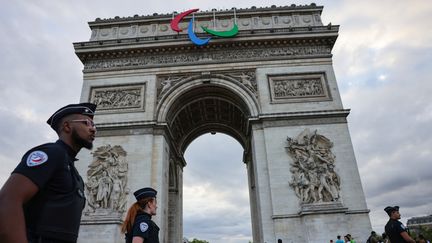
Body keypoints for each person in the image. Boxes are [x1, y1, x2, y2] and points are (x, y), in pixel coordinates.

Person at [0, 103, 97, 243]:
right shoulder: (51, 153)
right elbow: (7, 200)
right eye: (86, 123)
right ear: (67, 126)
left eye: (94, 125)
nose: (93, 129)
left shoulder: (74, 173)